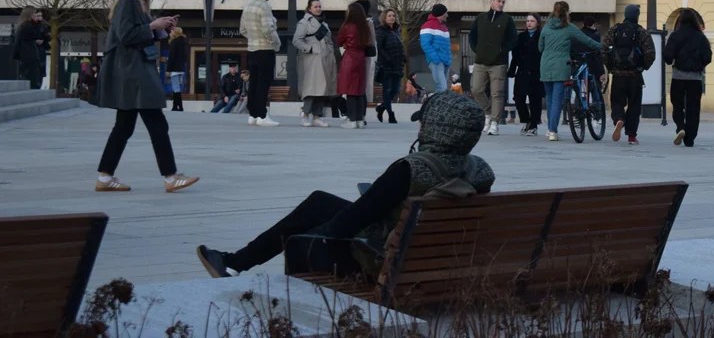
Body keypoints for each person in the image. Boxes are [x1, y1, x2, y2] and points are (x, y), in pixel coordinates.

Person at [195, 90, 494, 280]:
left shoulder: (409, 170)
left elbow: (343, 229)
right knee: (320, 202)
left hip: (386, 264)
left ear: (433, 127)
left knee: (304, 235)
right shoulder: (479, 169)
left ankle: (237, 263)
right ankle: (234, 262)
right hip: (439, 257)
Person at [94, 0, 198, 193]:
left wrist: (162, 28)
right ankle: (171, 177)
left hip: (133, 69)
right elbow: (125, 35)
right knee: (156, 123)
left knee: (124, 126)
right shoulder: (127, 1)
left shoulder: (137, 1)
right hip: (132, 70)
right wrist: (153, 26)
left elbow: (137, 34)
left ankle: (105, 176)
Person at [539, 2, 602, 142]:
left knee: (549, 98)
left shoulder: (546, 27)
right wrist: (603, 46)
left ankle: (550, 129)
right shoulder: (568, 28)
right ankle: (553, 131)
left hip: (545, 65)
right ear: (567, 13)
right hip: (561, 65)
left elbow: (540, 47)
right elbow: (587, 41)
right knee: (557, 100)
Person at [600, 4, 655, 146]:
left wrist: (610, 66)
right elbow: (650, 53)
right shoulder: (641, 31)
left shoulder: (615, 30)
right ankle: (631, 136)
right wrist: (643, 66)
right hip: (634, 76)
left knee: (617, 102)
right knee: (634, 106)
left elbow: (604, 49)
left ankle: (619, 119)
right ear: (637, 16)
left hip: (618, 75)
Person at [469, 0, 518, 135]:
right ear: (491, 2)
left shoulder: (507, 20)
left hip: (498, 63)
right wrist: (477, 49)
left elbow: (513, 39)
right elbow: (472, 36)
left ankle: (495, 123)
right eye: (499, 1)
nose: (501, 4)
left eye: (503, 2)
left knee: (497, 93)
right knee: (476, 89)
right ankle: (487, 114)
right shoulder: (481, 18)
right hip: (481, 61)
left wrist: (502, 50)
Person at [663, 8, 712, 147]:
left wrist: (673, 61)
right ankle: (690, 138)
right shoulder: (701, 37)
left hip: (678, 77)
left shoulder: (675, 35)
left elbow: (667, 56)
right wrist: (700, 65)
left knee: (677, 105)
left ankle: (680, 127)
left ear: (680, 20)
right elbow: (707, 57)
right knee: (693, 108)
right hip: (695, 78)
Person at [239, 0, 281, 128]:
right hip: (265, 50)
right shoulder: (264, 6)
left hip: (252, 49)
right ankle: (262, 115)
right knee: (264, 83)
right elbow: (268, 29)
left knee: (254, 82)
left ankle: (253, 115)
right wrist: (276, 44)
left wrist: (253, 38)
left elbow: (242, 30)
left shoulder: (248, 6)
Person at [293, 0, 337, 128]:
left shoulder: (324, 24)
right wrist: (310, 49)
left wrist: (331, 54)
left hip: (325, 58)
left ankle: (317, 116)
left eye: (319, 6)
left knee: (322, 89)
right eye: (315, 6)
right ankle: (305, 114)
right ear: (309, 8)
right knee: (311, 88)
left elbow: (329, 40)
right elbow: (297, 40)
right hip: (311, 59)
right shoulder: (303, 23)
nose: (318, 8)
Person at [338, 1, 376, 129]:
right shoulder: (366, 26)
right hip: (361, 57)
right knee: (359, 90)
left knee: (350, 90)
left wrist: (345, 44)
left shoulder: (347, 26)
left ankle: (352, 119)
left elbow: (339, 40)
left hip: (350, 57)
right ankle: (360, 119)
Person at [508, 14, 544, 136]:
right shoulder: (521, 36)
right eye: (528, 21)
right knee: (518, 97)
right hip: (522, 71)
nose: (529, 23)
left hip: (536, 71)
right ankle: (525, 120)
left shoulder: (541, 36)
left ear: (537, 23)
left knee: (535, 99)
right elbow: (515, 55)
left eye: (532, 21)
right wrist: (512, 70)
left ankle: (533, 124)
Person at [375, 8, 406, 124]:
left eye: (393, 15)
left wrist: (403, 57)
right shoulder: (381, 30)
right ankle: (390, 114)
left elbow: (400, 45)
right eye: (389, 15)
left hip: (397, 65)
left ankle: (382, 107)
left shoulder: (397, 30)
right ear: (384, 17)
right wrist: (387, 58)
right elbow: (379, 47)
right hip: (386, 65)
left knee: (396, 89)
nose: (392, 17)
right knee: (387, 90)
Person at [420, 4, 452, 93]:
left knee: (441, 87)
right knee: (442, 87)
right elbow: (425, 44)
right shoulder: (428, 25)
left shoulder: (444, 27)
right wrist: (436, 59)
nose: (447, 15)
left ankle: (437, 106)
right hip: (437, 61)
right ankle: (439, 106)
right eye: (446, 13)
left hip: (445, 62)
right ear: (441, 13)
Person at [15, 7, 47, 90]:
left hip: (33, 53)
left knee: (35, 73)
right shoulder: (27, 26)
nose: (38, 17)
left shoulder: (33, 25)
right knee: (31, 74)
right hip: (29, 53)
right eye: (36, 15)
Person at [166, 27, 188, 112]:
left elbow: (172, 57)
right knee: (177, 87)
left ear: (175, 32)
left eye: (171, 31)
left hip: (174, 68)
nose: (170, 32)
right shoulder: (183, 43)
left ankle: (178, 106)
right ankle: (177, 106)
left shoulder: (174, 42)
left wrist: (168, 69)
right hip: (181, 68)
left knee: (175, 88)